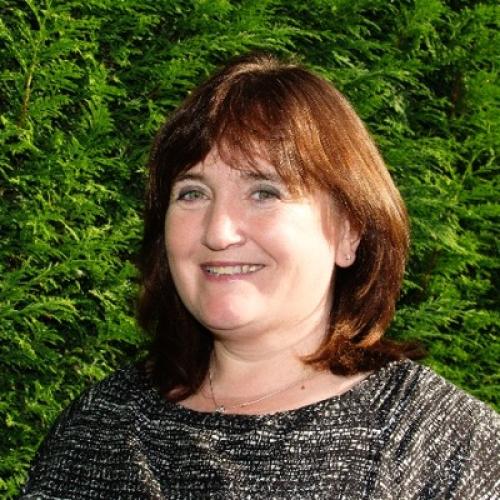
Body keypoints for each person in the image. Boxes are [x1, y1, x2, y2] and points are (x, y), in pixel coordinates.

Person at [21, 53, 499, 499]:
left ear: (349, 232)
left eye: (264, 192)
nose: (218, 232)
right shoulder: (97, 427)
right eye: (192, 193)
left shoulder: (445, 448)